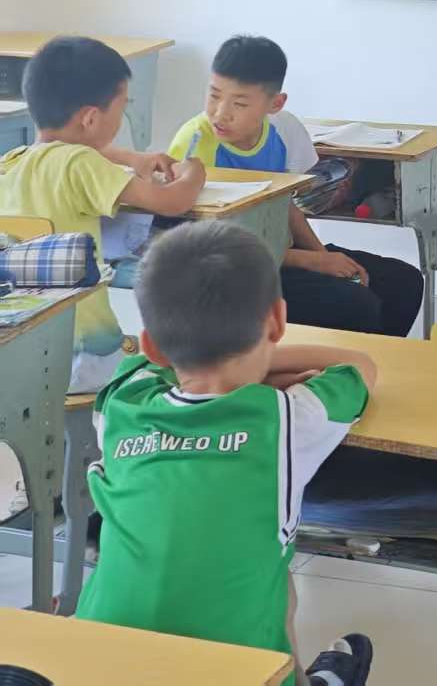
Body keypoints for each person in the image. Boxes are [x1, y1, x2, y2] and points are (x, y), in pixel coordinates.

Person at [76, 220, 378, 686]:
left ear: (154, 344)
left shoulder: (121, 406)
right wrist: (257, 371)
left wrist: (231, 367)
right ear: (277, 320)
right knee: (276, 580)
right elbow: (359, 366)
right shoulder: (286, 417)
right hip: (240, 675)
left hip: (96, 666)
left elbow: (138, 366)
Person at [168, 35, 423, 337]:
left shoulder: (282, 130)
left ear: (275, 104)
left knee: (403, 282)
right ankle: (339, 367)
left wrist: (323, 256)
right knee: (357, 305)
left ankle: (375, 363)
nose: (220, 113)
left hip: (279, 256)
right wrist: (312, 261)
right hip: (230, 272)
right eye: (213, 96)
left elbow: (285, 205)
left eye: (239, 103)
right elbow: (201, 244)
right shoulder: (195, 143)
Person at [0, 35, 206, 390]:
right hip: (88, 354)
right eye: (122, 108)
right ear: (92, 118)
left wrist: (134, 159)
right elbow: (172, 201)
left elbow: (73, 150)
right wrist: (195, 170)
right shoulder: (80, 164)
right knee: (175, 368)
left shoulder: (11, 163)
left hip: (25, 354)